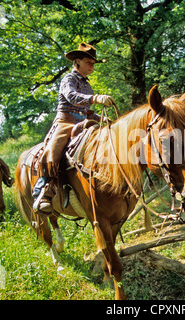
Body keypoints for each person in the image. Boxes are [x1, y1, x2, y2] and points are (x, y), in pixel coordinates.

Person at [32, 42, 115, 215]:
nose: (92, 66)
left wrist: (102, 119)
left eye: (93, 64)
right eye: (89, 62)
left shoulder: (87, 84)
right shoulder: (68, 79)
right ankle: (43, 191)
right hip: (65, 123)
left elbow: (88, 111)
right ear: (77, 62)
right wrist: (96, 97)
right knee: (53, 150)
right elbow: (72, 97)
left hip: (84, 122)